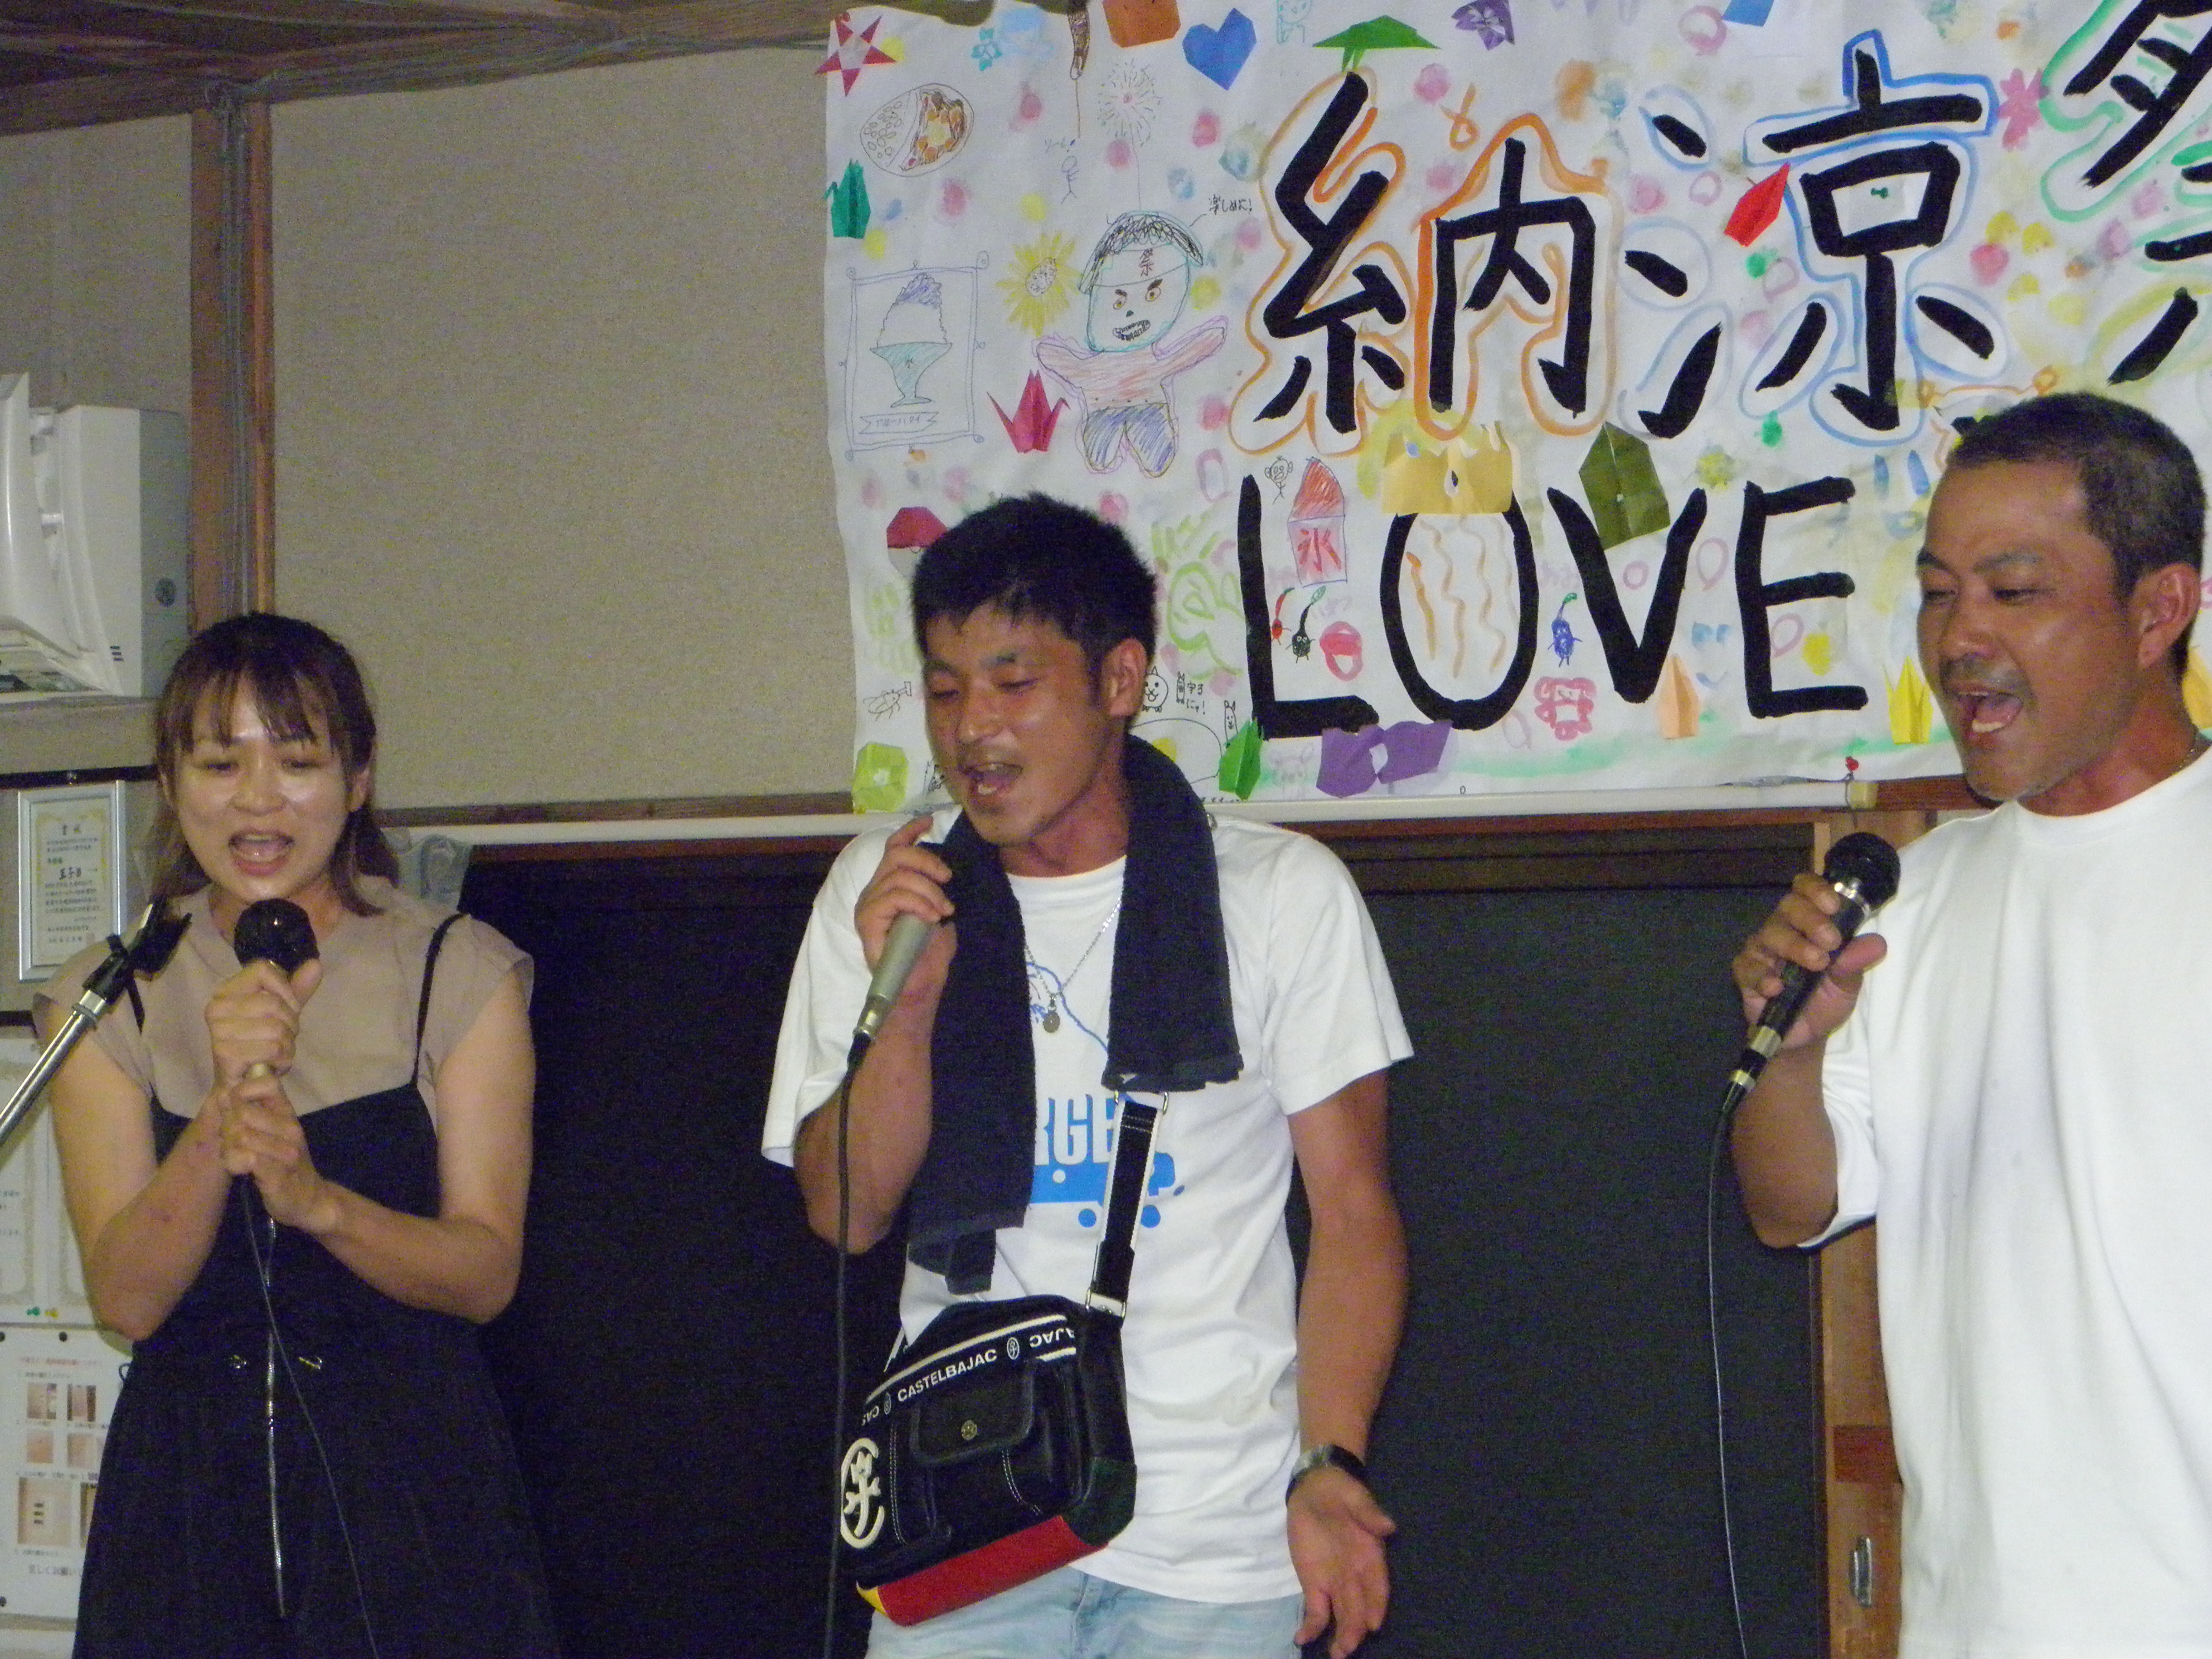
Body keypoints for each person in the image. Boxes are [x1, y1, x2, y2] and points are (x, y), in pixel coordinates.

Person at [764, 494, 1410, 1659]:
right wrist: (907, 1007)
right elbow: (844, 1213)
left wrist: (1329, 1462)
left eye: (1014, 682)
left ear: (1119, 680)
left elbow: (1354, 1212)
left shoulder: (1277, 893)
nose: (974, 729)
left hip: (1210, 1535)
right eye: (946, 689)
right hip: (964, 1515)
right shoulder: (890, 888)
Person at [1729, 391, 2210, 1656]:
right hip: (1972, 1623)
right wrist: (1792, 1049)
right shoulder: (1913, 891)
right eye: (1939, 594)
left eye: (2015, 591)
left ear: (2159, 610)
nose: (1960, 640)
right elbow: (1789, 1207)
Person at [35, 614, 559, 1658]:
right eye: (220, 763)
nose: (259, 799)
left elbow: (485, 1273)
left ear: (357, 780)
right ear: (172, 784)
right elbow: (128, 1300)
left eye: (299, 761)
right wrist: (219, 1117)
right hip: (188, 1501)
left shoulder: (458, 971)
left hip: (413, 1491)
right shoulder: (107, 994)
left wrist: (320, 1205)